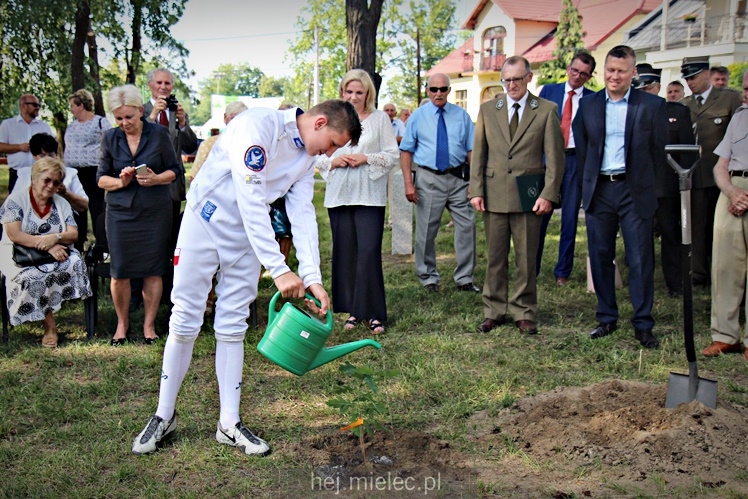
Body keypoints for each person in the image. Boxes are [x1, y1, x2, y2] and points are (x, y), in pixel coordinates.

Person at [130, 100, 361, 457]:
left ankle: (229, 423)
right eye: (332, 143)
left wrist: (312, 276)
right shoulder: (259, 126)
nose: (330, 153)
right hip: (206, 223)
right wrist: (279, 267)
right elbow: (250, 196)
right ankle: (163, 415)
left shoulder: (306, 159)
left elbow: (301, 214)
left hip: (247, 239)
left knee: (233, 325)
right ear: (318, 123)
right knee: (185, 318)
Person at [573, 45, 669, 349]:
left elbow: (659, 153)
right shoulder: (588, 105)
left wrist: (652, 192)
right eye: (610, 70)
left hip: (634, 190)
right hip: (600, 190)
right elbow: (583, 146)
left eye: (621, 71)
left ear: (633, 73)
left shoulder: (652, 106)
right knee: (600, 255)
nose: (614, 76)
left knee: (640, 258)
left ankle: (643, 323)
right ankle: (606, 317)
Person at [470, 56, 564, 335]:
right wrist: (476, 190)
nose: (511, 84)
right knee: (495, 257)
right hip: (494, 193)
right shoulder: (488, 110)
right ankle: (493, 310)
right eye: (506, 79)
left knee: (526, 258)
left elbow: (556, 159)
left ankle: (524, 311)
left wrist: (548, 193)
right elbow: (479, 153)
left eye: (517, 79)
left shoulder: (546, 110)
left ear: (529, 78)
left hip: (529, 196)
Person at [316, 70, 399, 334]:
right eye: (349, 92)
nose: (353, 97)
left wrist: (367, 158)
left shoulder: (379, 119)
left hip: (369, 195)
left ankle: (373, 313)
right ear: (342, 92)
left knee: (368, 252)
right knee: (346, 253)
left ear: (368, 94)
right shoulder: (329, 119)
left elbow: (392, 155)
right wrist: (333, 161)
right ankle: (353, 311)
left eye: (359, 93)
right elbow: (313, 156)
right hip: (340, 195)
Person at [97, 84, 180, 346]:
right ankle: (122, 324)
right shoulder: (110, 138)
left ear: (139, 111)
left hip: (155, 211)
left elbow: (175, 170)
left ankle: (149, 326)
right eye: (118, 118)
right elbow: (100, 179)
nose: (124, 123)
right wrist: (120, 182)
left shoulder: (158, 134)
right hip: (120, 212)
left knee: (153, 269)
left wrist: (157, 179)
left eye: (129, 117)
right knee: (119, 271)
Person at [0, 157, 92, 348]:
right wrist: (48, 244)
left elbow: (73, 233)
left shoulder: (61, 203)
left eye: (57, 182)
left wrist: (56, 239)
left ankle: (55, 309)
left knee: (75, 262)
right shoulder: (16, 200)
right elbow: (14, 234)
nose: (51, 186)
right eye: (47, 180)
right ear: (34, 179)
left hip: (57, 251)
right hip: (20, 255)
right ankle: (50, 327)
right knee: (35, 275)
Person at [400, 73, 479, 294]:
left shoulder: (462, 116)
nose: (438, 93)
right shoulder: (417, 117)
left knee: (467, 227)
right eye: (434, 89)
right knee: (426, 231)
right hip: (429, 178)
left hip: (458, 178)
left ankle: (465, 278)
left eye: (443, 89)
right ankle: (428, 278)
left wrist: (475, 181)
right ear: (427, 90)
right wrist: (409, 183)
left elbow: (472, 149)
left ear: (449, 91)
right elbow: (406, 151)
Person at [633, 64, 695, 298]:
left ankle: (675, 284)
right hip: (639, 186)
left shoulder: (677, 112)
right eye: (640, 88)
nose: (645, 92)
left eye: (649, 88)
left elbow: (687, 150)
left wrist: (684, 184)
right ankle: (642, 282)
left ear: (658, 87)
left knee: (671, 235)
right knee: (641, 238)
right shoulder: (631, 110)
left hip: (667, 186)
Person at [680, 56, 742, 286]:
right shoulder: (684, 105)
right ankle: (698, 274)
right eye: (686, 78)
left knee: (725, 229)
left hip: (724, 175)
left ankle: (726, 274)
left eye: (693, 77)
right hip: (695, 175)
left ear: (707, 74)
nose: (689, 82)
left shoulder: (729, 98)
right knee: (696, 227)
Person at [536, 50, 596, 285]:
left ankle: (563, 272)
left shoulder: (593, 98)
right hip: (547, 159)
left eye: (584, 73)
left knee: (570, 218)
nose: (577, 76)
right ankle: (533, 268)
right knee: (540, 214)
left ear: (589, 77)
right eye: (575, 70)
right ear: (568, 68)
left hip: (575, 161)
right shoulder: (548, 91)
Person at [142, 68, 198, 308]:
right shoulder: (141, 110)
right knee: (151, 240)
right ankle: (144, 292)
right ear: (151, 86)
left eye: (168, 83)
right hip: (147, 185)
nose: (164, 87)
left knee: (172, 239)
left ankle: (169, 291)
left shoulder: (176, 111)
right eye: (159, 83)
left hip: (173, 186)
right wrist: (153, 116)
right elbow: (139, 139)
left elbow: (190, 146)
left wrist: (184, 123)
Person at [702, 69, 748, 358]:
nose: (746, 93)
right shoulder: (740, 117)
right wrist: (732, 191)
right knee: (724, 266)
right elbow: (721, 164)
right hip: (732, 189)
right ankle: (725, 335)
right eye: (744, 87)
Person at [16, 134, 90, 251]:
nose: (47, 159)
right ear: (34, 156)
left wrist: (66, 193)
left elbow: (84, 205)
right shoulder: (24, 173)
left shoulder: (70, 173)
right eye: (42, 155)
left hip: (63, 225)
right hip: (30, 226)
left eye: (51, 155)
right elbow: (15, 204)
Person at [64, 89, 110, 247]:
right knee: (77, 206)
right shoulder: (72, 126)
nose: (71, 109)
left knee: (96, 206)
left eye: (72, 105)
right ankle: (78, 241)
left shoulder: (100, 122)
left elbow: (109, 145)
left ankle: (101, 243)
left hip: (93, 171)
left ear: (81, 105)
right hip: (74, 173)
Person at [0, 94, 54, 193]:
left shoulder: (44, 126)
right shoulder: (8, 124)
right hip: (17, 174)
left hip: (41, 174)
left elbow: (52, 149)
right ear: (23, 106)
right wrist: (19, 147)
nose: (38, 108)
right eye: (35, 105)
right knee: (17, 205)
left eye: (39, 105)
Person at [189, 100, 248, 181]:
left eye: (241, 119)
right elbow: (194, 177)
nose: (236, 123)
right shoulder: (209, 144)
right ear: (225, 117)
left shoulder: (251, 143)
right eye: (233, 118)